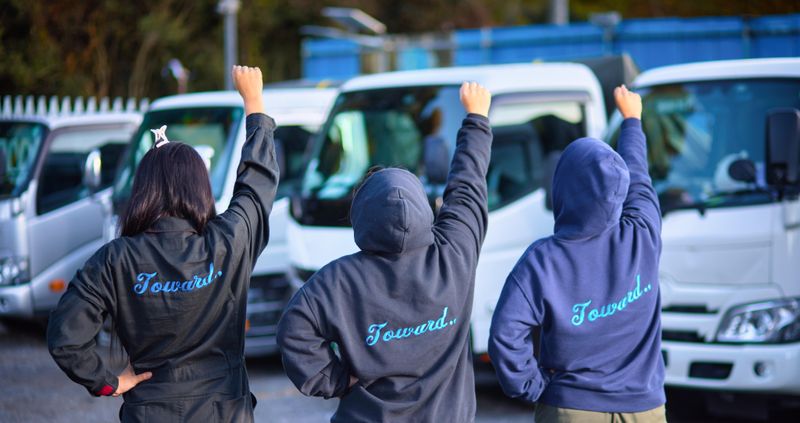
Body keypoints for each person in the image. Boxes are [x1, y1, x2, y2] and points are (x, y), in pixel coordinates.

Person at [46, 66, 278, 423]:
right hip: (224, 411)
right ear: (199, 189)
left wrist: (107, 383)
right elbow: (257, 184)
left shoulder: (115, 259)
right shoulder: (228, 242)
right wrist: (254, 102)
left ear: (142, 190)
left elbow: (66, 337)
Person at [277, 82, 493, 422]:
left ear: (360, 214)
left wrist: (335, 379)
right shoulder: (454, 254)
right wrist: (476, 119)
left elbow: (293, 331)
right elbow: (468, 188)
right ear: (424, 207)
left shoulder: (338, 280)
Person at [488, 85, 666, 422]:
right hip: (646, 409)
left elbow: (505, 335)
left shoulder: (543, 260)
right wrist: (631, 120)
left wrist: (531, 386)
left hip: (571, 408)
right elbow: (639, 175)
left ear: (562, 186)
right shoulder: (643, 234)